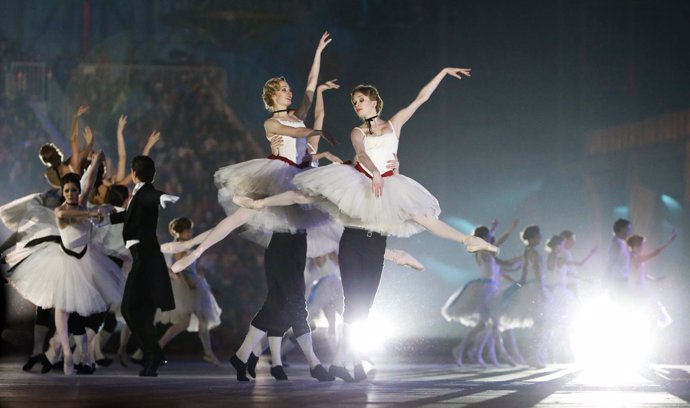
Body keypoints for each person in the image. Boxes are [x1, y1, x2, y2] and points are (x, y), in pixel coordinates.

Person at [235, 67, 498, 381]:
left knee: (419, 216)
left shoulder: (394, 124)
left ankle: (466, 240)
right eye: (354, 102)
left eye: (361, 100)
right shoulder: (356, 132)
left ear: (375, 101)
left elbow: (421, 99)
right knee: (311, 197)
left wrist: (441, 73)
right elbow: (359, 153)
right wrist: (372, 171)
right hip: (367, 189)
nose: (357, 105)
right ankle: (262, 202)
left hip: (386, 190)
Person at [6, 156, 124, 375]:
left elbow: (88, 184)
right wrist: (90, 213)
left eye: (74, 190)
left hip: (87, 263)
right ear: (63, 192)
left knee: (78, 315)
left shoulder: (83, 200)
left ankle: (84, 358)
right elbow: (71, 214)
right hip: (64, 263)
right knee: (61, 312)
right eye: (67, 190)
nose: (70, 194)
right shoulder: (61, 211)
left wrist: (96, 162)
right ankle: (68, 355)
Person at [108, 155, 179, 377]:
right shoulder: (139, 194)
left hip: (145, 258)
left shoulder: (146, 192)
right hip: (144, 257)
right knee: (142, 311)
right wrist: (105, 218)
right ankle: (152, 358)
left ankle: (154, 354)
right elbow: (133, 214)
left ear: (134, 173)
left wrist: (163, 197)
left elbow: (151, 197)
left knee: (129, 308)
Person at [606, 218, 632, 299]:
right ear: (621, 229)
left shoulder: (622, 243)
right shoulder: (616, 243)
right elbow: (610, 263)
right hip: (618, 281)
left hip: (623, 279)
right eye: (628, 229)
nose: (630, 232)